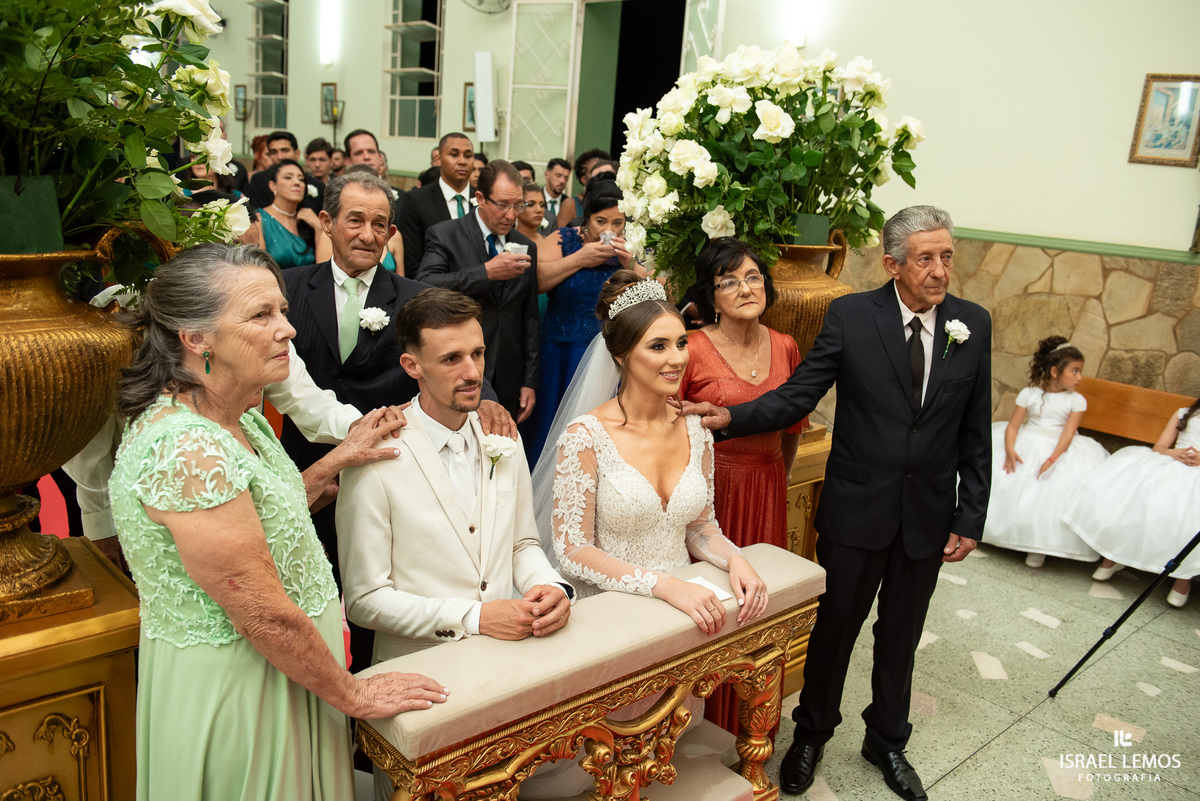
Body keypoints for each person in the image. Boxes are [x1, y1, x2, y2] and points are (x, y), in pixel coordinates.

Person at [108, 243, 448, 801]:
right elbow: (261, 614)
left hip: (288, 673)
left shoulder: (239, 417)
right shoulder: (188, 447)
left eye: (283, 311)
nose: (286, 329)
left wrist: (337, 460)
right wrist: (353, 695)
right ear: (196, 338)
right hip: (244, 686)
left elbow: (265, 511)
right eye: (260, 315)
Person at [677, 206, 991, 801]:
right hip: (857, 508)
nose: (939, 269)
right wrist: (732, 416)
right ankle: (811, 734)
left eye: (946, 255)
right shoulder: (852, 314)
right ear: (893, 263)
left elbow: (976, 429)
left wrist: (969, 514)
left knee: (902, 632)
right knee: (835, 630)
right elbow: (801, 391)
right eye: (925, 258)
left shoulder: (971, 324)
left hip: (927, 513)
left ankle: (888, 740)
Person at [338, 287, 571, 801]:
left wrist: (552, 586)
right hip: (421, 686)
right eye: (451, 358)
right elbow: (364, 599)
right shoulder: (376, 455)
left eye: (478, 353)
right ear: (411, 364)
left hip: (510, 673)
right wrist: (476, 618)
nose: (471, 372)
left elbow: (522, 544)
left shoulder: (502, 440)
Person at [281, 171, 514, 669]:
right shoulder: (290, 288)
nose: (368, 234)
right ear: (326, 222)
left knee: (379, 601)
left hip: (391, 473)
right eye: (355, 220)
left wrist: (489, 399)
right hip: (310, 478)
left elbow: (456, 353)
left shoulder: (411, 296)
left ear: (392, 233)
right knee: (308, 606)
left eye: (380, 224)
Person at [677, 238, 805, 735]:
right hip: (711, 494)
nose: (744, 288)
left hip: (768, 484)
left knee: (760, 610)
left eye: (753, 277)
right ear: (710, 295)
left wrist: (783, 472)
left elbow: (793, 422)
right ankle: (702, 730)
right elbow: (669, 426)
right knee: (714, 613)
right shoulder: (691, 348)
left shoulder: (787, 345)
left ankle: (751, 729)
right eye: (728, 281)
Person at [416, 159, 539, 424]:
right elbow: (424, 283)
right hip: (458, 368)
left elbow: (529, 318)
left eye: (518, 205)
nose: (511, 215)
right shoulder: (445, 234)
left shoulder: (525, 245)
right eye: (503, 205)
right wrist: (485, 273)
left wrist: (529, 381)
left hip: (509, 371)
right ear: (480, 198)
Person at [523, 174, 637, 460]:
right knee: (550, 425)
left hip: (608, 356)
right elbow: (536, 281)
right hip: (558, 353)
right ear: (586, 220)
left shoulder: (632, 248)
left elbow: (655, 295)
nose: (608, 230)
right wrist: (579, 259)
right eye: (601, 222)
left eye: (617, 223)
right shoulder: (564, 239)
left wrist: (630, 265)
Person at [984, 337, 1106, 567]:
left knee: (1049, 491)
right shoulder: (1030, 394)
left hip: (1058, 446)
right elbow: (1013, 425)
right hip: (1026, 439)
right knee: (1008, 480)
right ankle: (993, 532)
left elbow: (1068, 434)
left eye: (1080, 371)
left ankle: (1038, 546)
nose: (1080, 377)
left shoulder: (1076, 401)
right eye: (1075, 371)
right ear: (1054, 371)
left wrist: (1052, 458)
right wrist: (1009, 449)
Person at [1065, 398, 1200, 608]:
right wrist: (1174, 453)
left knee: (1189, 514)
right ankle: (1113, 555)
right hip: (1172, 465)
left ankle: (1182, 579)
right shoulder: (1184, 413)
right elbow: (1159, 448)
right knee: (1137, 497)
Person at [399, 132, 476, 275]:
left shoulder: (482, 200)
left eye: (467, 156)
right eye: (454, 155)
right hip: (433, 290)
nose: (462, 161)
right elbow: (412, 261)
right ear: (439, 159)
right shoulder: (416, 200)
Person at [258, 159, 318, 269]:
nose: (297, 182)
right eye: (288, 177)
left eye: (301, 179)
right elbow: (257, 267)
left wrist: (319, 227)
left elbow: (323, 268)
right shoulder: (259, 218)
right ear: (272, 185)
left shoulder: (308, 221)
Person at [246, 131, 324, 213]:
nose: (279, 157)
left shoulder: (318, 186)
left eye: (285, 151)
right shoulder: (259, 180)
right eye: (273, 152)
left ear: (297, 154)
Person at [556, 148, 609, 228]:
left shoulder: (612, 203)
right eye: (595, 172)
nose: (600, 177)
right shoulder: (570, 204)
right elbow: (560, 237)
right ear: (583, 179)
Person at [541, 157, 571, 234]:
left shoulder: (569, 204)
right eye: (558, 176)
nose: (562, 181)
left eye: (566, 178)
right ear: (546, 174)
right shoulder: (535, 199)